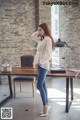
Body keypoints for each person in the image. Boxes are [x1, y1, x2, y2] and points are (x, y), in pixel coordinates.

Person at [31, 23, 55, 117]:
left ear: (45, 29)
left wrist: (42, 61)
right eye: (38, 30)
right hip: (40, 64)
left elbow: (50, 54)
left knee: (39, 85)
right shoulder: (42, 39)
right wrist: (39, 31)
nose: (39, 32)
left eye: (40, 30)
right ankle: (47, 104)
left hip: (43, 65)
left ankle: (45, 106)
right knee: (43, 85)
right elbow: (32, 36)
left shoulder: (48, 39)